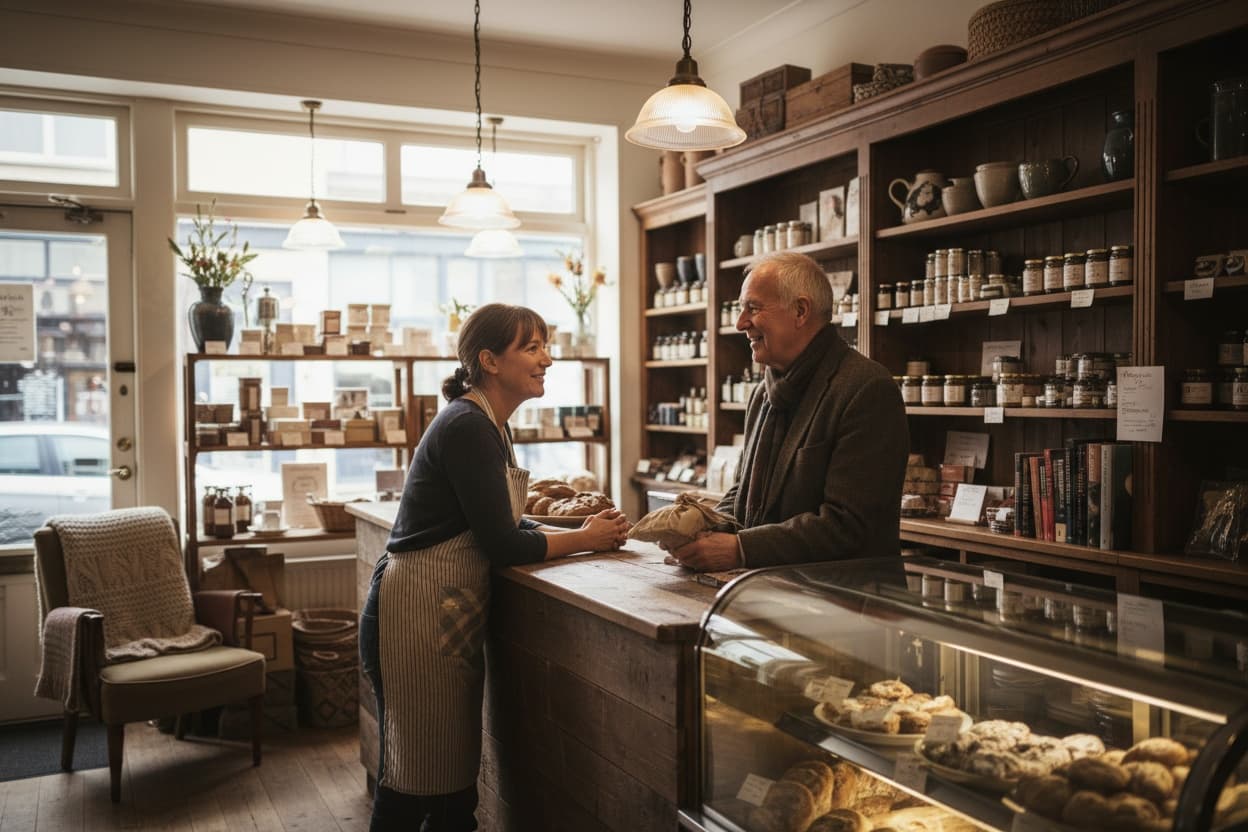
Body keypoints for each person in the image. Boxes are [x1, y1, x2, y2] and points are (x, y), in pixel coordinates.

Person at [359, 303, 629, 832]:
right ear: (489, 360)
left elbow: (503, 522)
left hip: (439, 617)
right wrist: (584, 538)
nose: (547, 359)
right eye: (532, 347)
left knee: (451, 789)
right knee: (412, 789)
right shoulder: (466, 425)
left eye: (545, 346)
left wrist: (573, 532)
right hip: (413, 619)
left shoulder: (489, 424)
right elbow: (503, 544)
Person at [670, 251, 908, 571]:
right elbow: (744, 490)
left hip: (845, 601)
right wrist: (705, 530)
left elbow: (849, 524)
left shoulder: (865, 389)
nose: (741, 323)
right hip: (768, 591)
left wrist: (742, 549)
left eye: (753, 308)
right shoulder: (762, 394)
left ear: (800, 310)